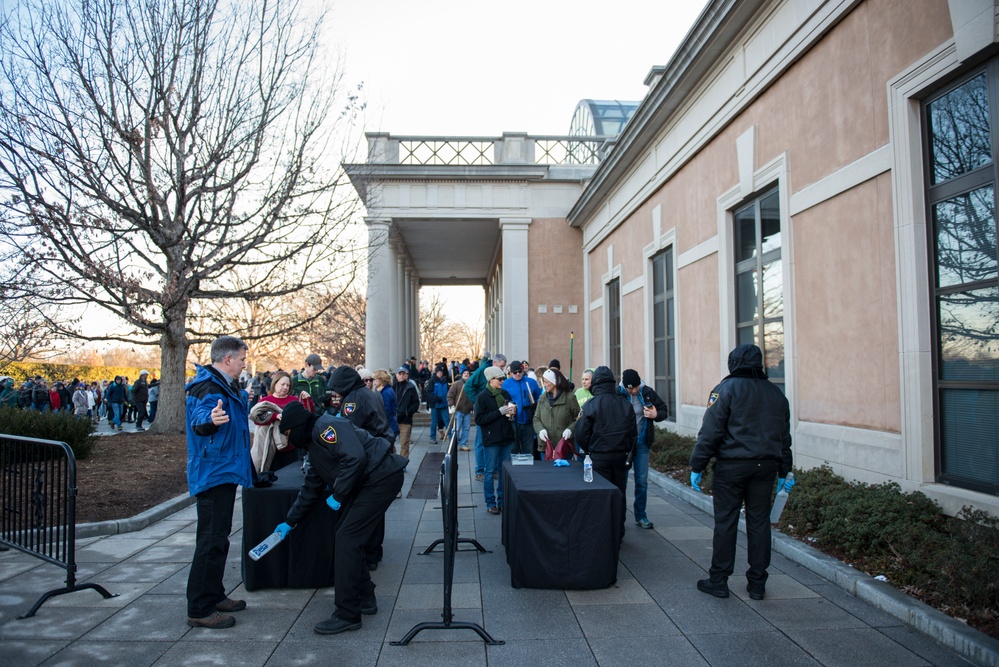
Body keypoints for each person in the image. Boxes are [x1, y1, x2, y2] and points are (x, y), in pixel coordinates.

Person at [272, 401, 407, 635]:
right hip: (370, 481)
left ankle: (347, 613)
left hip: (381, 478)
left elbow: (355, 458)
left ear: (296, 426)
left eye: (287, 434)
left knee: (347, 539)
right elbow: (311, 489)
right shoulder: (312, 445)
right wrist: (289, 521)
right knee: (346, 539)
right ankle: (365, 596)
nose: (288, 440)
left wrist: (339, 493)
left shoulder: (325, 427)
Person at [689, 344, 794, 601]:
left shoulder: (725, 390)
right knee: (759, 524)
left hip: (731, 467)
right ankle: (757, 584)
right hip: (765, 468)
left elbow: (711, 432)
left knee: (726, 522)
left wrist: (697, 465)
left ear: (733, 362)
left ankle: (719, 580)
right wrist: (785, 470)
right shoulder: (776, 394)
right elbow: (784, 438)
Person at [184, 335, 253, 629]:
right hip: (213, 475)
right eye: (241, 359)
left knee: (218, 540)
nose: (243, 364)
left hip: (223, 472)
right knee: (210, 542)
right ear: (227, 360)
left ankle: (214, 594)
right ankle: (199, 608)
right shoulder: (209, 388)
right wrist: (210, 420)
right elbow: (200, 420)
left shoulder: (224, 385)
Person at [574, 366, 636, 539]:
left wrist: (589, 448)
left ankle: (603, 533)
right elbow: (633, 434)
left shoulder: (591, 405)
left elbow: (581, 433)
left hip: (599, 456)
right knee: (619, 494)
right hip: (620, 457)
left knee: (601, 494)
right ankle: (618, 531)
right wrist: (630, 455)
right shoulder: (624, 404)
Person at [620, 369, 669, 529]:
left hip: (642, 442)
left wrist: (656, 415)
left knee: (641, 481)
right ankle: (619, 516)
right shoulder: (618, 393)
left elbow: (664, 410)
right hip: (624, 444)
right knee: (622, 482)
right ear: (624, 387)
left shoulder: (647, 392)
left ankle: (641, 515)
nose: (634, 391)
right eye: (630, 389)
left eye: (635, 387)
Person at [474, 366, 516, 515]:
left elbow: (509, 412)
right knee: (490, 471)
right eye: (500, 379)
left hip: (507, 438)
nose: (502, 381)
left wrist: (512, 412)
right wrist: (499, 412)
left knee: (504, 471)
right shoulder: (482, 397)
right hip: (492, 439)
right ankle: (490, 503)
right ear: (491, 380)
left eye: (503, 378)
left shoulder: (505, 393)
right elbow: (479, 419)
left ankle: (503, 501)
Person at [464, 352, 506, 481]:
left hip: (495, 413)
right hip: (483, 411)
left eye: (504, 367)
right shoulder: (482, 371)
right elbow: (468, 385)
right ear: (494, 363)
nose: (503, 369)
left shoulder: (500, 377)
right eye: (501, 366)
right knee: (481, 441)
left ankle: (492, 469)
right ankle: (480, 470)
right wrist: (477, 402)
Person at [250, 370, 301, 472]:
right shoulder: (265, 401)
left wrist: (307, 401)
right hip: (270, 448)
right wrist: (275, 416)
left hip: (290, 447)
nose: (285, 387)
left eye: (288, 385)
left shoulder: (294, 400)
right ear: (275, 383)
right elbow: (257, 419)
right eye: (282, 384)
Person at [534, 367, 580, 460]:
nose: (544, 385)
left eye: (546, 382)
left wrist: (570, 430)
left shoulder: (570, 398)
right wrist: (540, 430)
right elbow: (536, 418)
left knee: (564, 474)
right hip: (546, 446)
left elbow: (579, 418)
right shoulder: (542, 398)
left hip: (564, 446)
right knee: (547, 473)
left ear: (555, 382)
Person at [501, 360, 542, 456]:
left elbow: (539, 397)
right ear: (510, 373)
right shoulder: (506, 384)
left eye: (520, 371)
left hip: (528, 420)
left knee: (528, 449)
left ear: (523, 371)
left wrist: (534, 405)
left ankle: (527, 470)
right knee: (512, 449)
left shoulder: (531, 382)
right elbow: (502, 401)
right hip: (512, 421)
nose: (518, 374)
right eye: (515, 372)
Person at [393, 366, 420, 458]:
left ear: (406, 375)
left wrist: (408, 413)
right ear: (396, 375)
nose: (401, 376)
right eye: (399, 374)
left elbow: (415, 403)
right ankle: (393, 461)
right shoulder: (392, 386)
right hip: (393, 418)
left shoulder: (410, 387)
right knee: (390, 442)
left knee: (404, 443)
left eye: (403, 374)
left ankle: (403, 462)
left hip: (405, 419)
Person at [446, 368, 473, 451]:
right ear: (462, 374)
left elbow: (473, 397)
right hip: (458, 410)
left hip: (467, 410)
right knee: (456, 428)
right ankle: (453, 443)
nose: (466, 374)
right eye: (465, 373)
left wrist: (472, 407)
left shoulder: (471, 385)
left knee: (466, 428)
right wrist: (451, 405)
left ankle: (463, 444)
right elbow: (450, 395)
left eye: (468, 373)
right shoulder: (457, 384)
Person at [372, 369, 399, 443]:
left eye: (374, 379)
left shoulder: (386, 392)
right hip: (391, 426)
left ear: (381, 380)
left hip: (389, 427)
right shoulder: (386, 390)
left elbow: (385, 411)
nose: (373, 381)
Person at [426, 364, 449, 444]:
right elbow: (429, 393)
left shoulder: (445, 381)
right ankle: (432, 437)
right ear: (436, 373)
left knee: (447, 421)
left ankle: (450, 436)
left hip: (443, 404)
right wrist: (436, 399)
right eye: (438, 372)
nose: (440, 373)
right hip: (435, 404)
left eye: (441, 372)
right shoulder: (432, 381)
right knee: (434, 422)